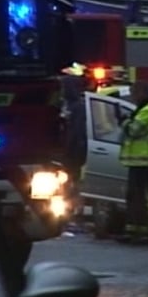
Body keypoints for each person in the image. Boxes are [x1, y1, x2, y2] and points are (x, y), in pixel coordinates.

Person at [118, 80, 148, 242]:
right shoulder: (143, 109)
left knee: (145, 196)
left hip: (147, 160)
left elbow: (133, 130)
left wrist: (123, 121)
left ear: (142, 93)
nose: (132, 98)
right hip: (138, 160)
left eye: (133, 94)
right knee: (133, 196)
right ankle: (134, 229)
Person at [60, 74, 88, 213]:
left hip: (74, 151)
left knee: (73, 180)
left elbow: (77, 131)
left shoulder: (78, 107)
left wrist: (71, 149)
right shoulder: (64, 104)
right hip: (61, 150)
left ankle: (73, 208)